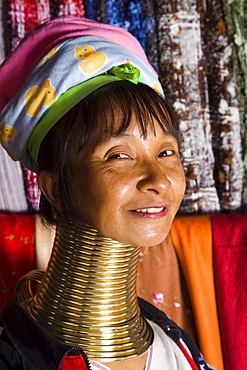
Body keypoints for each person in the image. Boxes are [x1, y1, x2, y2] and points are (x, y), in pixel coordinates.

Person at [0, 16, 212, 370]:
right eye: (120, 156)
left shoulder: (175, 344)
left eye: (166, 152)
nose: (157, 179)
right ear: (54, 188)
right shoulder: (14, 359)